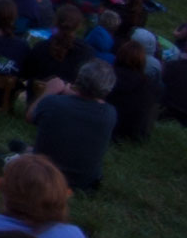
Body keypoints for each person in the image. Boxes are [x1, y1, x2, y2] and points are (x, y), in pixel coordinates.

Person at [23, 60, 117, 192]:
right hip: (84, 184)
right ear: (108, 89)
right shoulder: (109, 114)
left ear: (78, 79)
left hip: (44, 176)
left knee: (26, 151)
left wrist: (49, 91)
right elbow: (90, 102)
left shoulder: (53, 103)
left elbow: (30, 116)